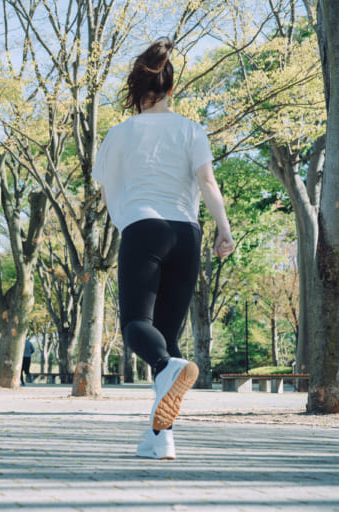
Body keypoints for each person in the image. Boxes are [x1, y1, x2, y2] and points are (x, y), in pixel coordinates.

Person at [92, 38, 234, 460]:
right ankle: (161, 440)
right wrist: (223, 231)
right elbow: (207, 184)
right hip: (186, 234)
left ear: (136, 91)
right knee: (167, 339)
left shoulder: (120, 133)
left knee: (138, 324)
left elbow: (105, 193)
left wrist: (125, 217)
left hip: (144, 229)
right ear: (171, 88)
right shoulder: (192, 129)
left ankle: (167, 369)